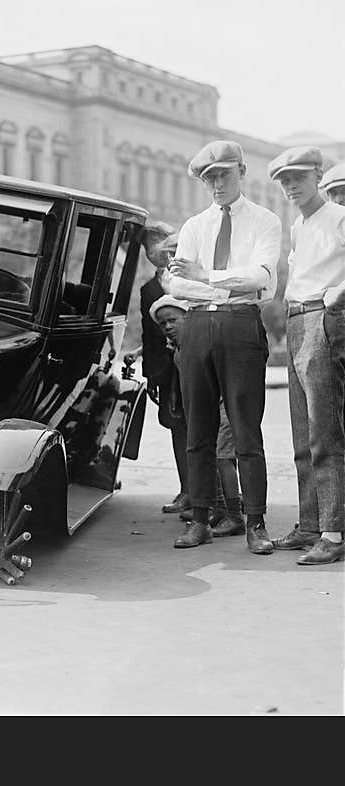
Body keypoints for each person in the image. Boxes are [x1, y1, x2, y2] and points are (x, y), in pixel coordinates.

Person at [167, 140, 281, 553]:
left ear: (241, 172)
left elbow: (261, 278)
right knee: (199, 429)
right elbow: (177, 284)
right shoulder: (195, 225)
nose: (216, 184)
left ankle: (256, 523)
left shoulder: (266, 221)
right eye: (208, 177)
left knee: (246, 430)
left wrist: (206, 274)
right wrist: (215, 278)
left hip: (241, 325)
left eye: (223, 174)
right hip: (196, 325)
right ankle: (200, 520)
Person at [267, 146, 345, 565]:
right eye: (284, 181)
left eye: (297, 177)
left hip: (323, 317)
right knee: (301, 433)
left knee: (323, 431)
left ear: (317, 175)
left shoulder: (338, 216)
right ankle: (311, 524)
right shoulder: (299, 226)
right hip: (298, 319)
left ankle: (333, 532)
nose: (290, 186)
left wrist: (339, 294)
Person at [149, 294, 244, 537]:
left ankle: (235, 516)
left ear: (188, 318)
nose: (168, 327)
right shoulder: (179, 349)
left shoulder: (201, 343)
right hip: (208, 409)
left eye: (173, 320)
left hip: (224, 407)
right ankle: (219, 508)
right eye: (162, 324)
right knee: (211, 456)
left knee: (223, 458)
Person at [125, 221, 190, 514]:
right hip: (166, 371)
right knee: (177, 426)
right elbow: (150, 334)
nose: (156, 252)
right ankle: (187, 490)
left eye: (160, 244)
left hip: (194, 363)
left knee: (209, 427)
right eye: (148, 247)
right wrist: (151, 372)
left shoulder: (192, 278)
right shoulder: (148, 288)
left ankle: (217, 495)